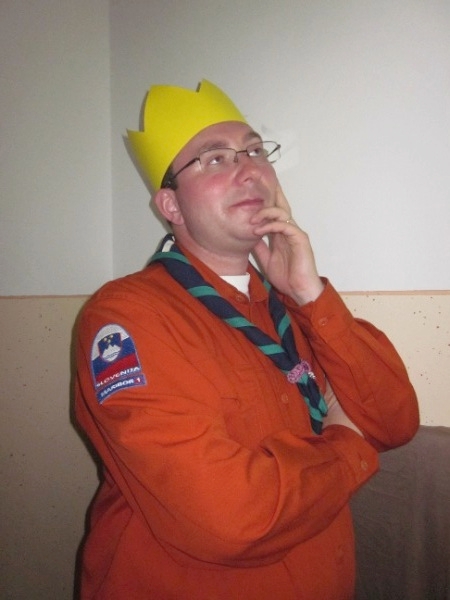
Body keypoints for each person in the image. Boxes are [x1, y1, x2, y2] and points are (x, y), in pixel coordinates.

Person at [75, 79, 419, 599]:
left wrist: (308, 292)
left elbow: (396, 421)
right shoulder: (127, 317)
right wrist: (348, 445)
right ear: (170, 206)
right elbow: (233, 518)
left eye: (256, 151)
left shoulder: (293, 306)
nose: (249, 169)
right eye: (215, 159)